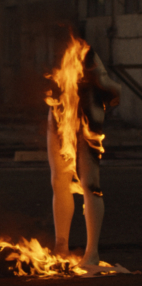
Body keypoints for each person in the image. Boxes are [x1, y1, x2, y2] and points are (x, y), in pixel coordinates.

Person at [48, 42, 120, 269]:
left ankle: (92, 253)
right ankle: (61, 246)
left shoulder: (87, 53)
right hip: (59, 110)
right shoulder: (62, 52)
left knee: (90, 184)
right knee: (59, 180)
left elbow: (111, 87)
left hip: (89, 109)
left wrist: (105, 85)